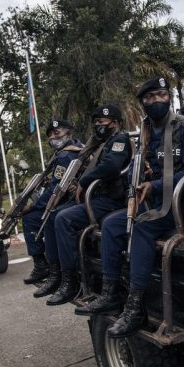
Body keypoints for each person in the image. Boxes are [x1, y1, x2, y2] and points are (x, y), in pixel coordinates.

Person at [75, 77, 184, 338]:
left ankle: (135, 307)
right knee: (112, 224)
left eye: (161, 95)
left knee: (143, 226)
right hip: (156, 202)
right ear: (143, 103)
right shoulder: (146, 130)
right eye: (150, 98)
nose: (157, 100)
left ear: (169, 98)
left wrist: (155, 186)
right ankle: (111, 294)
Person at [40, 104, 132, 305]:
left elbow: (112, 165)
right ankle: (58, 274)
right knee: (53, 215)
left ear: (115, 123)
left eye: (102, 122)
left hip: (110, 200)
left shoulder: (120, 140)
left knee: (64, 219)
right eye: (96, 122)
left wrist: (84, 181)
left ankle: (72, 280)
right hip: (97, 198)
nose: (98, 126)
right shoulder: (102, 143)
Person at [22, 119, 83, 285]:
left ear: (69, 133)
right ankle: (48, 268)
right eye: (50, 135)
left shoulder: (65, 155)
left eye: (57, 133)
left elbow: (55, 190)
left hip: (68, 200)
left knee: (32, 218)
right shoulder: (78, 148)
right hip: (69, 198)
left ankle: (48, 268)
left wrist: (33, 206)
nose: (53, 138)